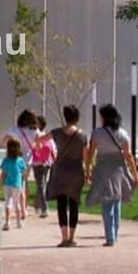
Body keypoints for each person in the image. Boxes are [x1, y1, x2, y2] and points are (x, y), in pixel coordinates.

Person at [85, 103, 138, 246]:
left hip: (103, 168)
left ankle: (110, 236)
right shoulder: (122, 134)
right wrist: (135, 174)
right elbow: (128, 155)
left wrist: (87, 169)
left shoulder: (97, 133)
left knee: (107, 202)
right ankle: (114, 234)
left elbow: (91, 153)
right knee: (116, 200)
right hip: (118, 168)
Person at [45, 104, 88, 247]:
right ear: (77, 117)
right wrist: (88, 171)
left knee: (61, 204)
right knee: (74, 203)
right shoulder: (82, 135)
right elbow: (85, 156)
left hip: (60, 170)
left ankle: (64, 237)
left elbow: (40, 139)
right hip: (76, 170)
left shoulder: (57, 132)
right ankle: (72, 237)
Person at [3, 109, 40, 220]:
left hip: (14, 159)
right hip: (27, 160)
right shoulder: (35, 131)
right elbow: (39, 145)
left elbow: (4, 142)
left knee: (16, 185)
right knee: (23, 184)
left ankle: (19, 208)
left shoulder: (14, 129)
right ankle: (24, 209)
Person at [29, 115, 56, 218]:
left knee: (41, 185)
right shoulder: (46, 136)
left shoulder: (35, 136)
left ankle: (44, 208)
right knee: (41, 184)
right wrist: (54, 160)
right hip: (46, 162)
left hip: (38, 163)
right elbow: (52, 149)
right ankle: (37, 205)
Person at [0, 138, 26, 230]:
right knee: (16, 203)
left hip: (7, 184)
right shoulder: (20, 160)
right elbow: (23, 172)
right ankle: (19, 222)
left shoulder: (6, 160)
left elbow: (3, 174)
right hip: (17, 184)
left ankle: (7, 222)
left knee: (8, 203)